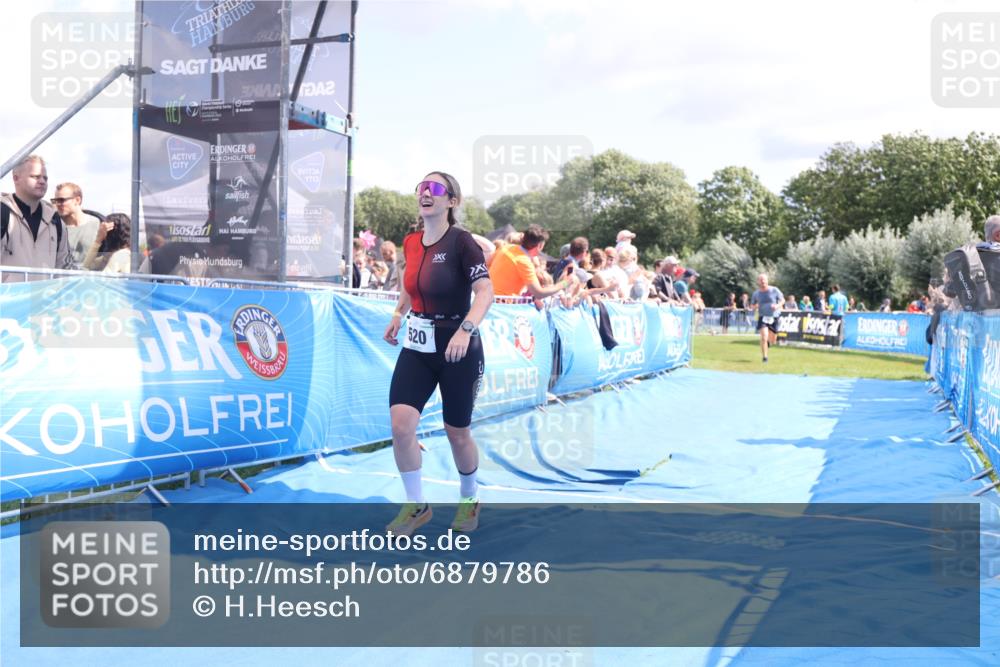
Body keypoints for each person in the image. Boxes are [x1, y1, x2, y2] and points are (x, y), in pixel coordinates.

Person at [383, 172, 493, 537]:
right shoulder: (412, 242)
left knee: (456, 432)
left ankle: (469, 498)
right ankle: (417, 505)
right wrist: (399, 314)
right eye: (421, 188)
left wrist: (466, 329)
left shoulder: (463, 242)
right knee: (401, 427)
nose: (425, 194)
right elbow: (410, 284)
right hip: (418, 343)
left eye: (435, 189)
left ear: (451, 201)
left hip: (458, 346)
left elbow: (484, 293)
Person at [1, 154, 74, 281]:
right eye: (35, 176)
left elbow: (64, 269)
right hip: (7, 299)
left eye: (45, 178)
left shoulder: (56, 221)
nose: (42, 181)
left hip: (45, 299)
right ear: (16, 178)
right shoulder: (3, 213)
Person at [489, 223, 577, 298]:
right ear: (540, 245)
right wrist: (566, 283)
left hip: (488, 299)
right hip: (502, 306)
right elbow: (539, 293)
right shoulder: (524, 262)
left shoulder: (506, 248)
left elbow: (486, 264)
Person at [51, 182, 101, 266]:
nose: (57, 204)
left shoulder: (98, 224)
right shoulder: (53, 227)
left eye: (62, 200)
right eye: (55, 201)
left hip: (91, 278)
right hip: (61, 277)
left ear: (77, 200)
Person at [750, 273, 784, 363]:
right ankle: (765, 357)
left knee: (773, 340)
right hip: (763, 317)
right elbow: (752, 305)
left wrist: (777, 306)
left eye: (764, 279)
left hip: (774, 316)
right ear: (758, 282)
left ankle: (769, 342)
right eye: (761, 280)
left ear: (767, 280)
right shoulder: (756, 293)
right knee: (764, 337)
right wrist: (755, 306)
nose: (763, 281)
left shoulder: (774, 290)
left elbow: (782, 300)